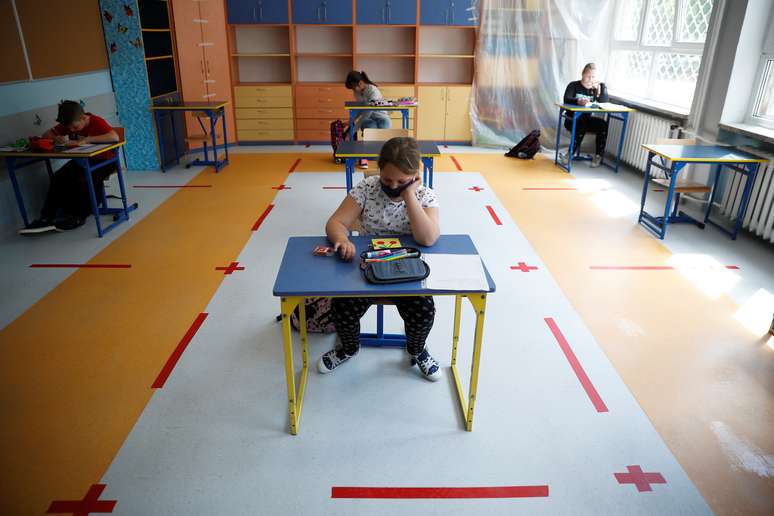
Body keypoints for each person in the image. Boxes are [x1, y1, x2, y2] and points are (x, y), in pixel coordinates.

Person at [319, 137, 442, 381]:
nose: (393, 185)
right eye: (387, 179)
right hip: (368, 268)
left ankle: (416, 350)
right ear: (379, 170)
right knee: (342, 307)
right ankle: (349, 347)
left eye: (402, 181)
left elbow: (428, 239)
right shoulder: (367, 189)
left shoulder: (425, 195)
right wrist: (342, 239)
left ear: (415, 176)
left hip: (406, 271)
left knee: (424, 310)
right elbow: (336, 222)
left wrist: (409, 195)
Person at [19, 101, 120, 234]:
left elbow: (114, 136)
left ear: (83, 118)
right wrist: (56, 138)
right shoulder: (70, 122)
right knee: (59, 176)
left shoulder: (96, 121)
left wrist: (88, 139)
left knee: (84, 179)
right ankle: (46, 217)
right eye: (69, 128)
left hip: (106, 161)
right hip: (85, 160)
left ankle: (78, 216)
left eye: (74, 127)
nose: (71, 130)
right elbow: (46, 134)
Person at [560, 63, 609, 168]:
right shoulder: (573, 85)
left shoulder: (594, 89)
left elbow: (604, 101)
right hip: (571, 119)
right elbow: (566, 99)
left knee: (603, 125)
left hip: (587, 119)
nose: (590, 79)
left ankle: (598, 156)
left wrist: (602, 86)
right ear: (583, 74)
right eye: (588, 76)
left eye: (593, 77)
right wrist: (578, 101)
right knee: (581, 124)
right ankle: (570, 154)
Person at [345, 70, 392, 169]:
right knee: (370, 128)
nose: (354, 90)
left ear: (361, 83)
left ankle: (384, 159)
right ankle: (364, 157)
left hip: (380, 117)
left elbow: (367, 112)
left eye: (354, 87)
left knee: (384, 132)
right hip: (369, 119)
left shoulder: (373, 91)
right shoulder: (357, 93)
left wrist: (353, 130)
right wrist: (351, 121)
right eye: (352, 89)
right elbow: (361, 109)